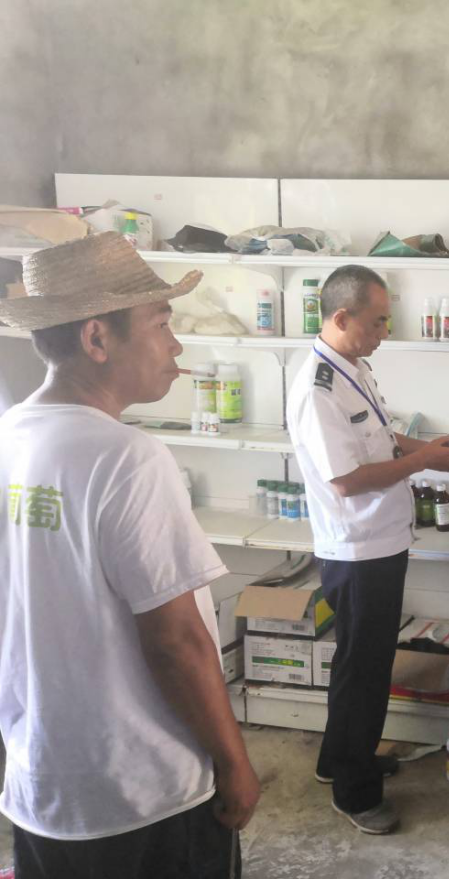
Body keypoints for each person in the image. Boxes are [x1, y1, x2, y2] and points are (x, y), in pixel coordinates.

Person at [0, 232, 260, 878]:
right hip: (143, 792)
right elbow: (176, 640)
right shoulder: (125, 458)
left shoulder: (9, 437)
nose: (176, 345)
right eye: (161, 323)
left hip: (42, 784)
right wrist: (234, 762)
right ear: (97, 338)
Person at [286, 264, 449, 835]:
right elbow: (346, 480)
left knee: (359, 663)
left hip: (380, 541)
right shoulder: (317, 388)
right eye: (378, 321)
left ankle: (339, 759)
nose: (385, 331)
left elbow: (383, 440)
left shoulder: (353, 368)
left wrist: (430, 448)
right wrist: (424, 462)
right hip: (357, 549)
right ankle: (355, 792)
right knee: (365, 673)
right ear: (342, 317)